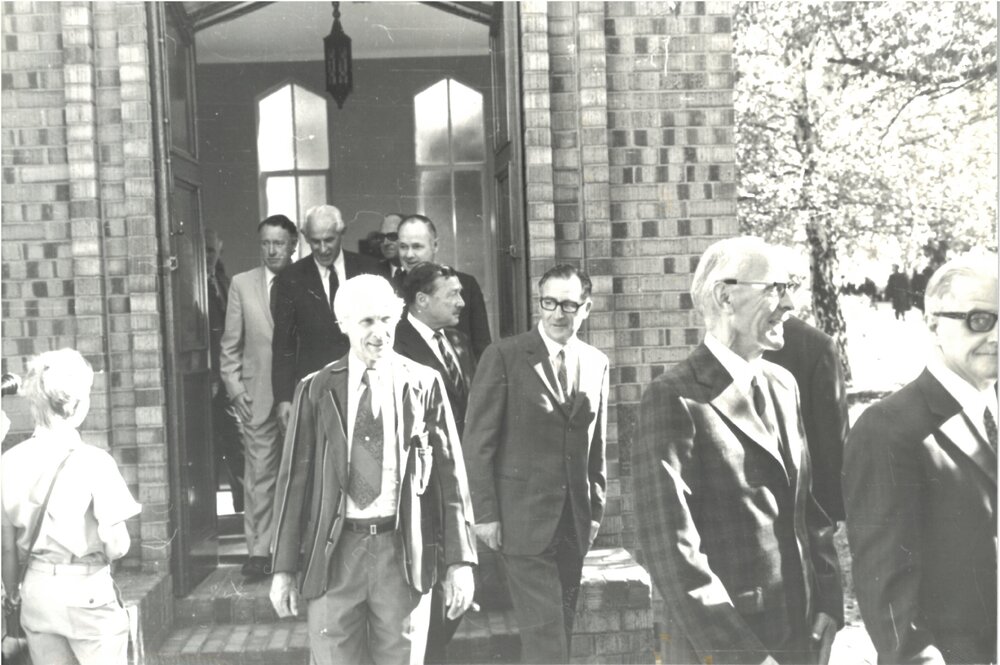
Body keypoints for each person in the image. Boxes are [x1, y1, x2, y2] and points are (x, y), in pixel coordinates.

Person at [634, 237, 843, 665]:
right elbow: (671, 550)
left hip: (801, 635)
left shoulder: (783, 385)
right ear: (725, 296)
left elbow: (808, 508)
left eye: (792, 287)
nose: (789, 304)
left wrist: (828, 602)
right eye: (775, 288)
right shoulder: (674, 396)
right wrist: (741, 656)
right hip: (728, 645)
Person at [269, 274, 477, 665]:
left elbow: (452, 481)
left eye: (387, 320)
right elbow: (293, 484)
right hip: (335, 555)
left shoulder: (425, 383)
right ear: (344, 323)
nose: (379, 333)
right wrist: (282, 569)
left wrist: (461, 562)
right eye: (367, 322)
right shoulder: (315, 388)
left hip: (400, 553)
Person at [844, 254, 998, 664]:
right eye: (980, 320)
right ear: (933, 324)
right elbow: (887, 592)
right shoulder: (888, 429)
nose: (996, 336)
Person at [464, 264, 609, 664]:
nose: (558, 314)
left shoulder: (596, 362)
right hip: (521, 520)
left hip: (573, 524)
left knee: (557, 629)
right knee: (546, 637)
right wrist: (485, 514)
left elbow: (595, 447)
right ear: (538, 303)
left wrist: (594, 512)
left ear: (587, 308)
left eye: (568, 304)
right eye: (549, 303)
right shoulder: (505, 356)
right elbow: (477, 442)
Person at [1, 349, 142, 664]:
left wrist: (13, 598)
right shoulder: (95, 462)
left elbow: (7, 550)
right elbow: (118, 546)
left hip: (36, 594)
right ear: (77, 406)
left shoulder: (7, 463)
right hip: (87, 591)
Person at [393, 262, 477, 663]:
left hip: (458, 482)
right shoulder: (393, 342)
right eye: (453, 295)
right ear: (422, 301)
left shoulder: (458, 341)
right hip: (421, 487)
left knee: (453, 589)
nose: (462, 302)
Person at [220, 214, 297, 580]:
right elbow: (230, 344)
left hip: (301, 396)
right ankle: (259, 552)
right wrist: (235, 389)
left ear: (293, 245)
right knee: (260, 476)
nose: (271, 250)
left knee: (302, 474)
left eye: (278, 243)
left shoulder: (306, 280)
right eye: (265, 243)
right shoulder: (241, 284)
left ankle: (299, 550)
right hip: (257, 397)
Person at [271, 204, 385, 432]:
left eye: (329, 240)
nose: (322, 249)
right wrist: (284, 398)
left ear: (342, 233)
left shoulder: (370, 269)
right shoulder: (290, 278)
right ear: (304, 237)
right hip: (318, 387)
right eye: (315, 241)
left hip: (368, 384)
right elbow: (284, 344)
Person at [763, 316, 849, 523]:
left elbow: (833, 434)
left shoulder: (814, 344)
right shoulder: (813, 343)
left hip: (805, 498)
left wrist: (833, 507)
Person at [396, 215, 492, 359]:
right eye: (403, 247)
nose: (409, 255)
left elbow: (481, 348)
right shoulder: (386, 290)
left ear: (435, 246)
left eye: (417, 246)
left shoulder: (465, 285)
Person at [206, 229, 245, 512]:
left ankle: (242, 509)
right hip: (203, 381)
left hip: (226, 378)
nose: (208, 256)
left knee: (237, 447)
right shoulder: (189, 284)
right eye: (204, 250)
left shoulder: (225, 282)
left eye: (211, 250)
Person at [380, 213, 403, 280]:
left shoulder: (420, 273)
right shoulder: (373, 273)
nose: (385, 243)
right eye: (382, 237)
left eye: (392, 236)